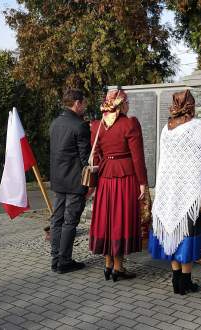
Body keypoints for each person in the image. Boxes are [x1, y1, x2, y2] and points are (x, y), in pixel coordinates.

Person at [148, 90, 201, 295]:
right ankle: (186, 282)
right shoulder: (199, 127)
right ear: (191, 105)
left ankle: (176, 280)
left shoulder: (167, 129)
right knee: (188, 233)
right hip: (190, 192)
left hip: (170, 189)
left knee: (173, 232)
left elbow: (164, 161)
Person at [89, 89, 148, 282]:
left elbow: (96, 155)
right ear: (121, 105)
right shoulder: (130, 124)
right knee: (120, 220)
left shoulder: (97, 126)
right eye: (127, 102)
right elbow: (138, 157)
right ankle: (118, 267)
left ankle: (108, 265)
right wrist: (142, 183)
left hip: (106, 177)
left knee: (107, 219)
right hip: (126, 176)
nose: (129, 105)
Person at [49, 88, 91, 274]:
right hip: (75, 182)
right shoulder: (80, 125)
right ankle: (64, 261)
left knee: (57, 220)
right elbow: (85, 160)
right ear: (77, 103)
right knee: (69, 222)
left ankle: (56, 259)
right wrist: (90, 181)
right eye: (84, 103)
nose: (85, 106)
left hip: (58, 181)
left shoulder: (55, 123)